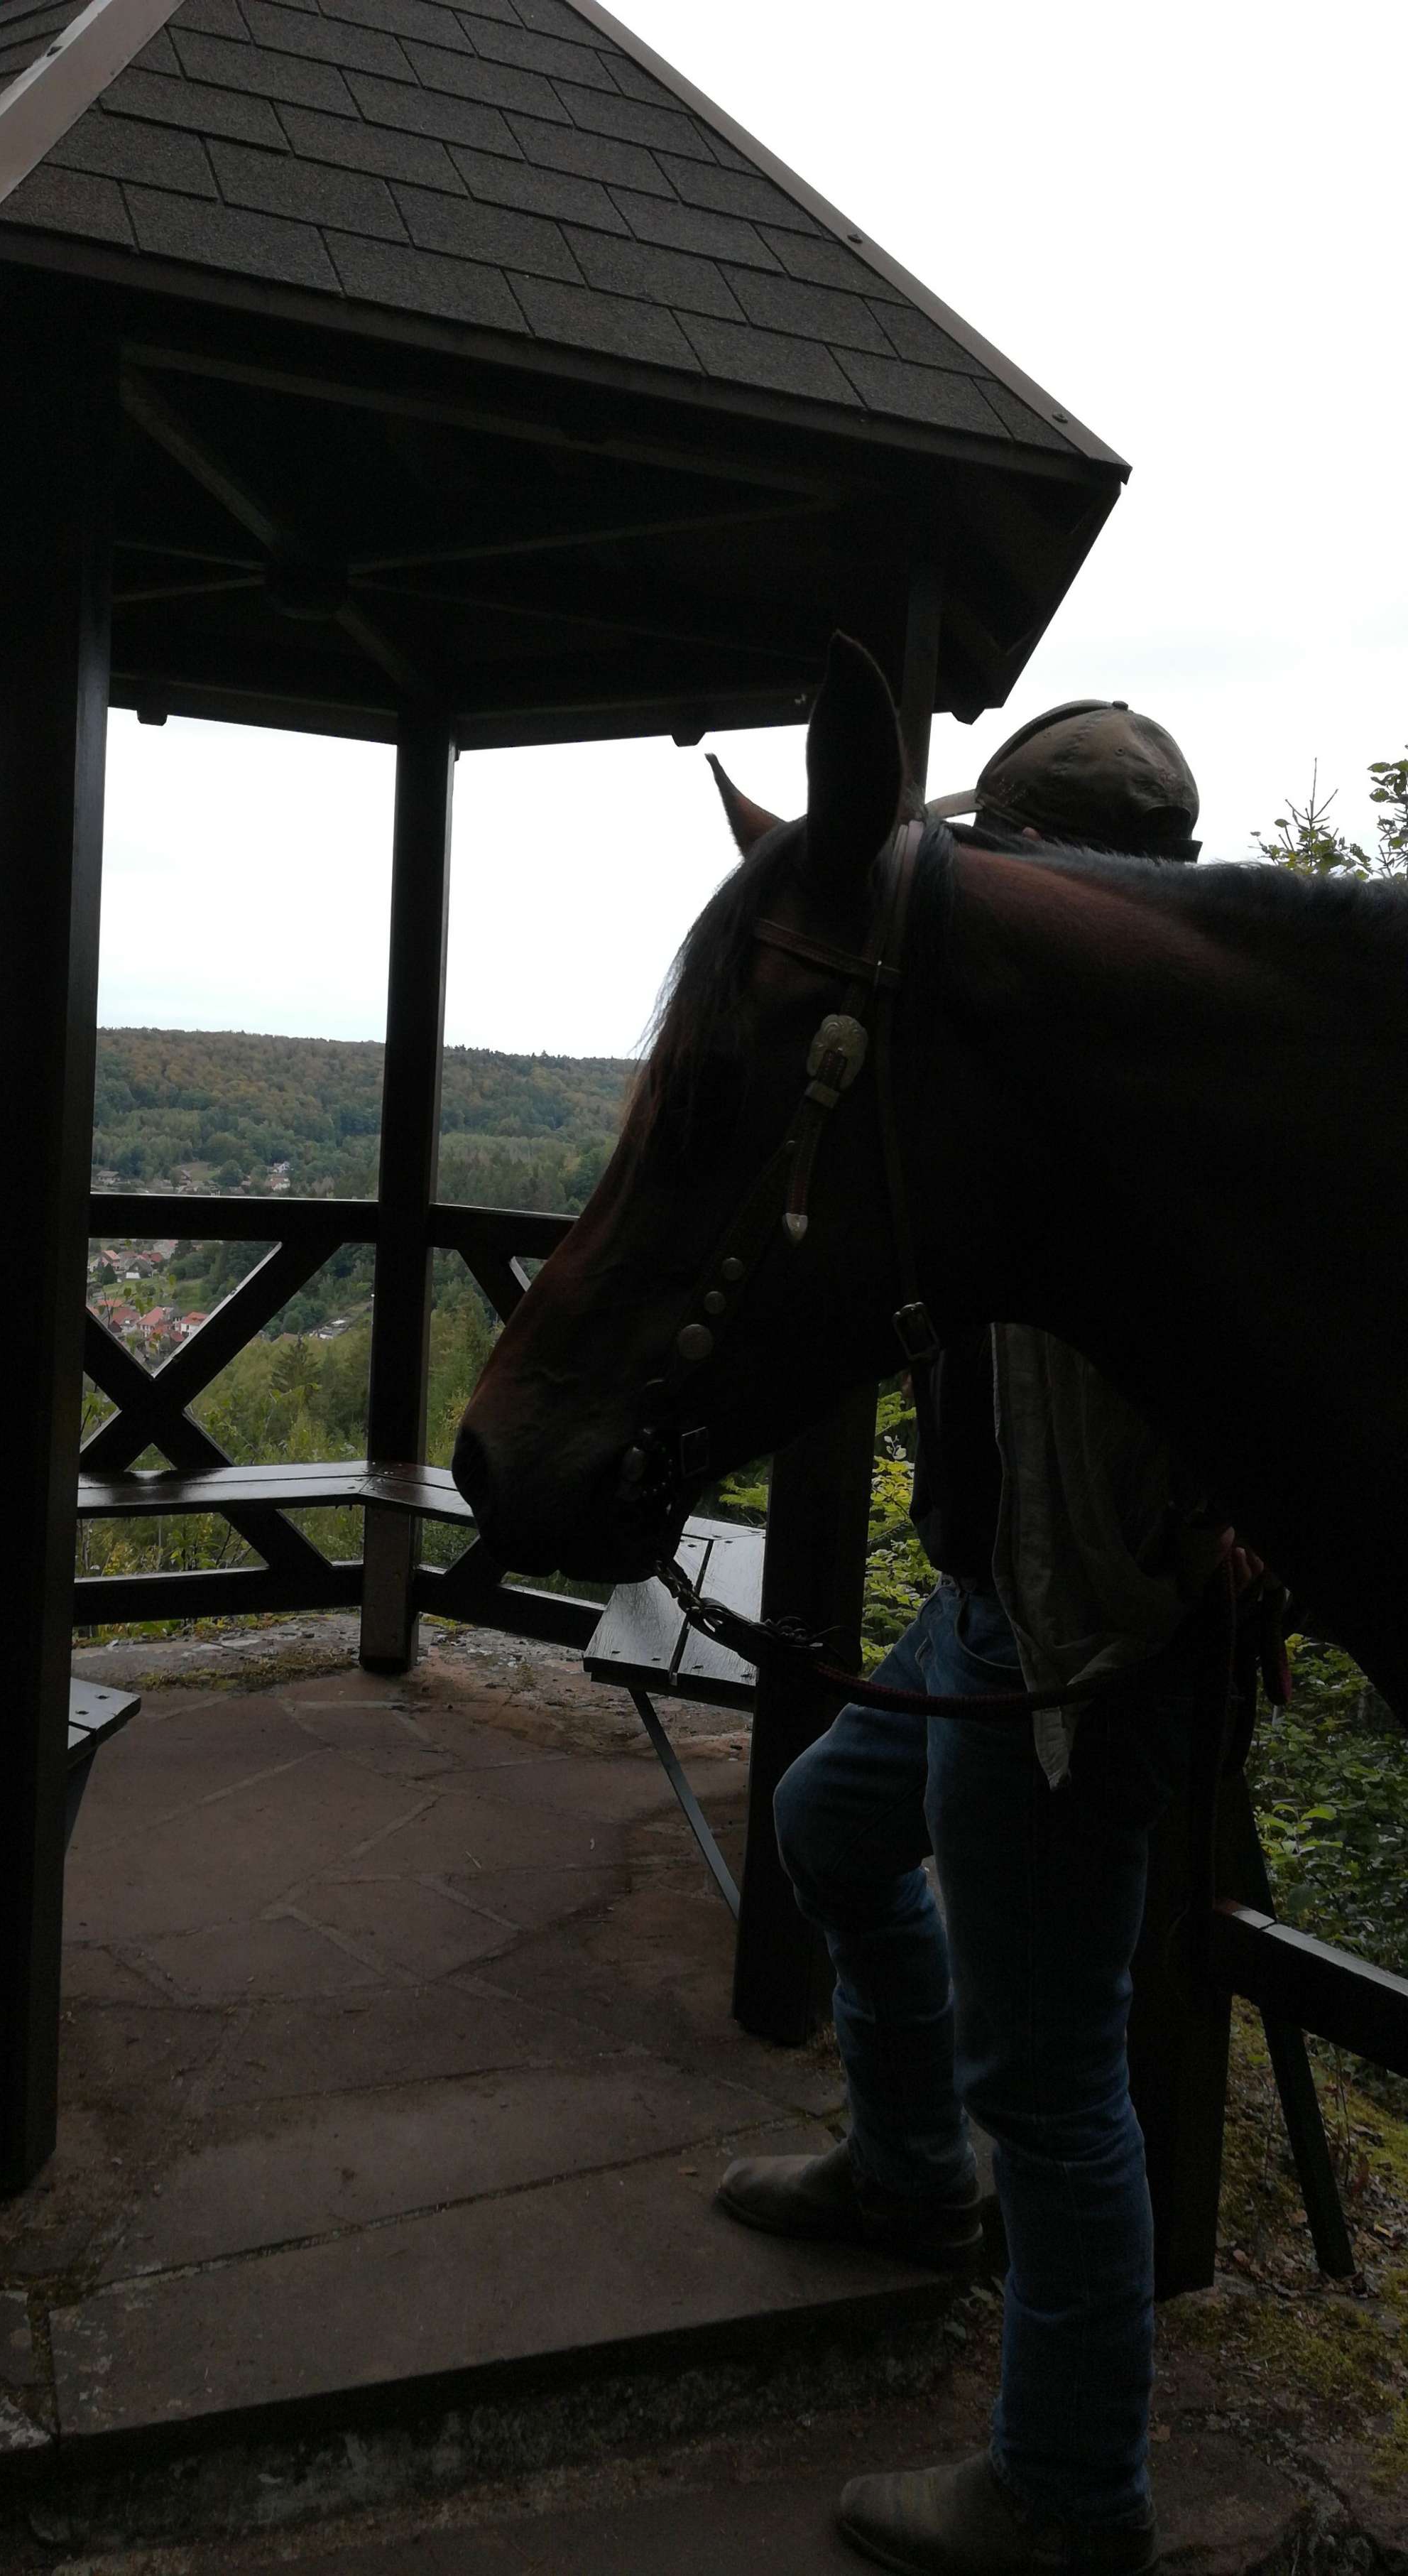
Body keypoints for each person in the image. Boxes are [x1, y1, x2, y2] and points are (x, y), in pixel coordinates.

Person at [716, 702, 1219, 2576]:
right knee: (833, 1826)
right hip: (997, 1591)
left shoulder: (1163, 1118)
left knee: (1057, 2077)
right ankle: (910, 2175)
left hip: (1073, 1650)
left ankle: (1070, 2490)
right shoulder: (1060, 1075)